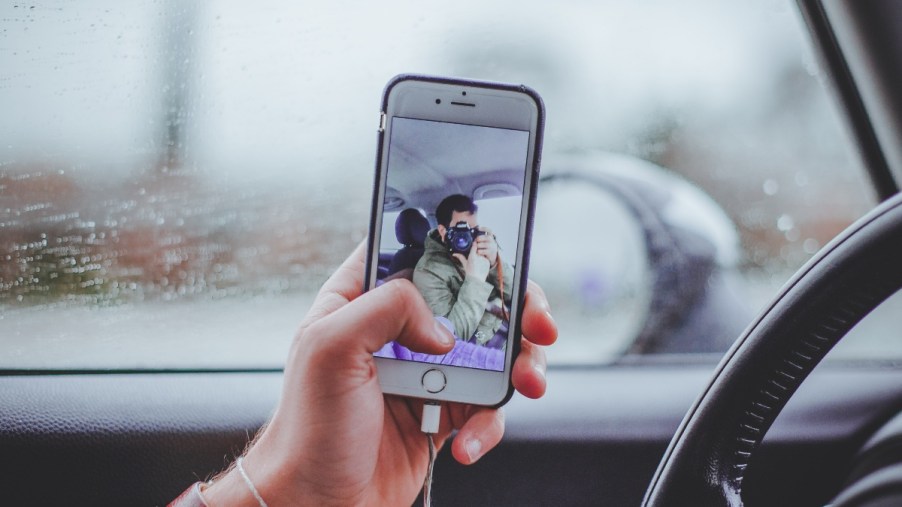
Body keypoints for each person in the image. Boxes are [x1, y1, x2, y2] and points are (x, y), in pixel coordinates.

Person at [170, 242, 557, 506]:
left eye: (472, 233)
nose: (463, 239)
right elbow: (453, 336)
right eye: (456, 231)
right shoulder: (412, 283)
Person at [413, 194, 513, 348]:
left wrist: (495, 262)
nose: (464, 238)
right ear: (443, 231)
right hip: (481, 345)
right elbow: (451, 339)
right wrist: (475, 280)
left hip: (501, 326)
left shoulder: (480, 248)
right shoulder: (427, 272)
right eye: (459, 229)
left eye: (472, 230)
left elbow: (515, 293)